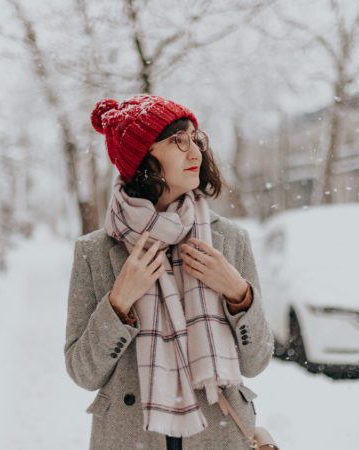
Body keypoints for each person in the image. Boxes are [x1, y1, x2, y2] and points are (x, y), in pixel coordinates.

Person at [64, 94, 273, 449]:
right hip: (131, 435)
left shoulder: (229, 240)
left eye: (195, 138)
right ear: (142, 158)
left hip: (218, 431)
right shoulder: (95, 253)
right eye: (177, 141)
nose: (195, 152)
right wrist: (119, 302)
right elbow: (83, 373)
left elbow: (256, 361)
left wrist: (238, 293)